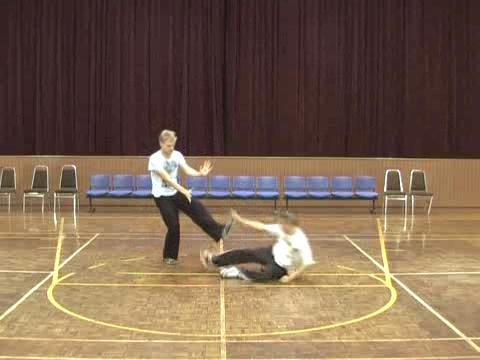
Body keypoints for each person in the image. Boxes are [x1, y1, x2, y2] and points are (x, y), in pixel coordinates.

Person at [149, 129, 233, 265]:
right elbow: (168, 179)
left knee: (197, 208)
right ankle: (169, 256)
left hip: (176, 192)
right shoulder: (154, 159)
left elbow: (187, 170)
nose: (171, 148)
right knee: (173, 225)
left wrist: (200, 173)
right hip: (162, 197)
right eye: (168, 146)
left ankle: (219, 231)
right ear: (161, 144)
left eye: (173, 145)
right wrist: (184, 191)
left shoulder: (177, 155)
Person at [201, 210, 314, 282]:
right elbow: (260, 226)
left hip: (283, 268)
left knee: (266, 275)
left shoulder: (301, 240)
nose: (281, 225)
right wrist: (242, 220)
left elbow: (305, 264)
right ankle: (214, 259)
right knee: (247, 253)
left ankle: (239, 272)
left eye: (284, 224)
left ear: (292, 225)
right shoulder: (281, 227)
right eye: (282, 223)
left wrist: (290, 278)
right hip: (271, 253)